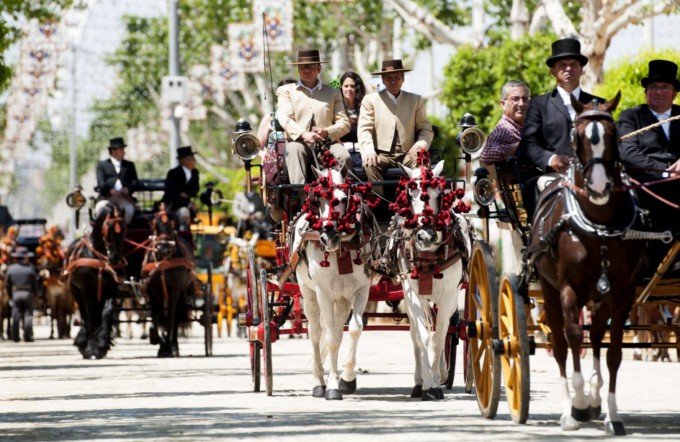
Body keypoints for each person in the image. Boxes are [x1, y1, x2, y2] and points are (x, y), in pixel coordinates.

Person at [518, 38, 604, 219]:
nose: (568, 68)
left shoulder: (598, 104)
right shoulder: (538, 104)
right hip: (553, 177)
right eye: (562, 65)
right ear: (553, 71)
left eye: (573, 64)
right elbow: (527, 145)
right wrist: (550, 158)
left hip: (594, 177)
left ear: (582, 69)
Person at [618, 60, 680, 274]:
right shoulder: (631, 117)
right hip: (646, 187)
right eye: (653, 87)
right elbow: (627, 152)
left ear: (674, 93)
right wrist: (666, 171)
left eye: (664, 87)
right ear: (645, 92)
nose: (658, 92)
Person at [276, 49, 351, 184]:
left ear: (319, 68)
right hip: (299, 141)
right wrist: (304, 134)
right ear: (298, 69)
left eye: (311, 66)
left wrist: (327, 132)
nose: (307, 70)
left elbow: (344, 123)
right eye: (303, 67)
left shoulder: (333, 92)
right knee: (295, 150)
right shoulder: (286, 91)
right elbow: (284, 118)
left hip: (327, 143)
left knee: (344, 156)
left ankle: (342, 197)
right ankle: (301, 198)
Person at [357, 59, 434, 182]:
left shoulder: (415, 100)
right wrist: (369, 151)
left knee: (423, 163)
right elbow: (364, 130)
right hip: (381, 155)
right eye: (389, 78)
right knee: (369, 164)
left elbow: (425, 128)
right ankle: (380, 200)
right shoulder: (370, 100)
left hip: (408, 154)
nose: (393, 81)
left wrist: (421, 144)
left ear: (403, 79)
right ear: (383, 80)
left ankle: (417, 199)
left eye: (397, 77)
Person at [480, 80, 531, 166]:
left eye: (525, 99)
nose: (522, 104)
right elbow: (486, 156)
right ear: (503, 104)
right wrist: (526, 145)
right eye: (515, 99)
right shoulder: (504, 129)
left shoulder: (528, 125)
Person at [95, 137, 139, 224]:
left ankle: (123, 232)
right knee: (101, 211)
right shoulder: (102, 165)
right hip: (106, 198)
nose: (123, 151)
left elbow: (135, 182)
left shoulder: (129, 165)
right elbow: (101, 183)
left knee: (129, 210)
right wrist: (110, 191)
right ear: (114, 151)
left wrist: (128, 189)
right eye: (121, 149)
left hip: (124, 198)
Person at [162, 146, 200, 231]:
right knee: (184, 213)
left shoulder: (195, 173)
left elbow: (196, 189)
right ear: (184, 161)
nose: (194, 160)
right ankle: (182, 234)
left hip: (187, 204)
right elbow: (171, 193)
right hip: (173, 205)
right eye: (192, 158)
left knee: (187, 212)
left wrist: (186, 194)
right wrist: (188, 203)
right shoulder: (173, 173)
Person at [6, 246, 38, 342]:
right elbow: (34, 282)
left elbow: (7, 284)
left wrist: (10, 295)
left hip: (16, 293)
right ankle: (28, 336)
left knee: (15, 315)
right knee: (28, 314)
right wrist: (35, 294)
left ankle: (15, 336)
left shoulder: (11, 268)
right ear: (25, 257)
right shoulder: (30, 268)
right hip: (28, 293)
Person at [257, 78, 298, 148]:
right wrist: (263, 155)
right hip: (274, 158)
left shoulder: (305, 115)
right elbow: (257, 148)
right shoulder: (269, 118)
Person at [339, 71, 367, 146]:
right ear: (341, 87)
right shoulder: (336, 108)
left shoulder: (365, 107)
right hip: (342, 152)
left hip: (362, 149)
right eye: (346, 86)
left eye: (352, 86)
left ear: (357, 88)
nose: (349, 89)